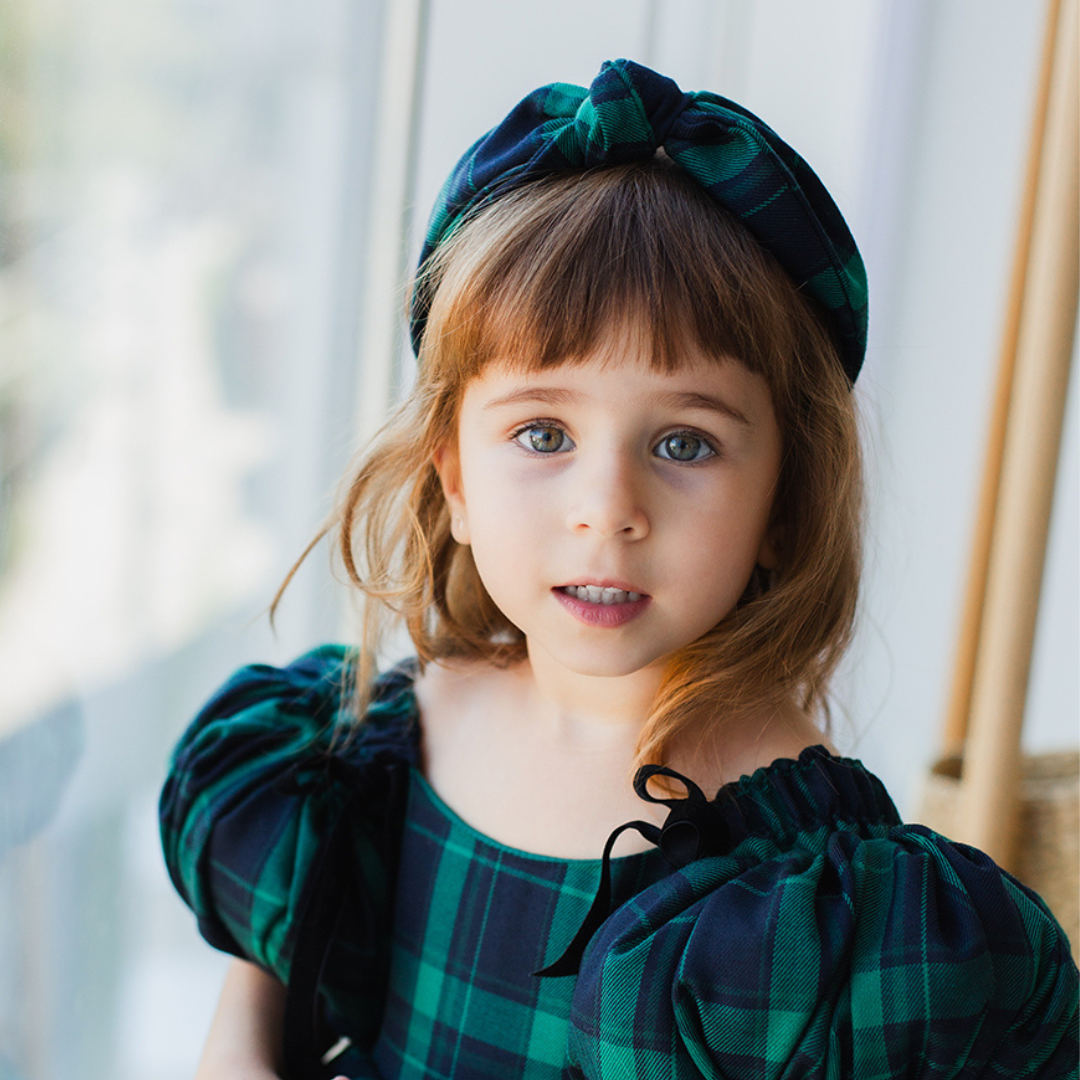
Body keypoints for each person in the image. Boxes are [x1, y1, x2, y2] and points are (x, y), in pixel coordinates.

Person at [159, 60, 1079, 1080]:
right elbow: (268, 977)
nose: (610, 508)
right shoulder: (362, 758)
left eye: (685, 444)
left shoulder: (813, 903)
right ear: (454, 476)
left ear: (786, 501)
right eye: (545, 432)